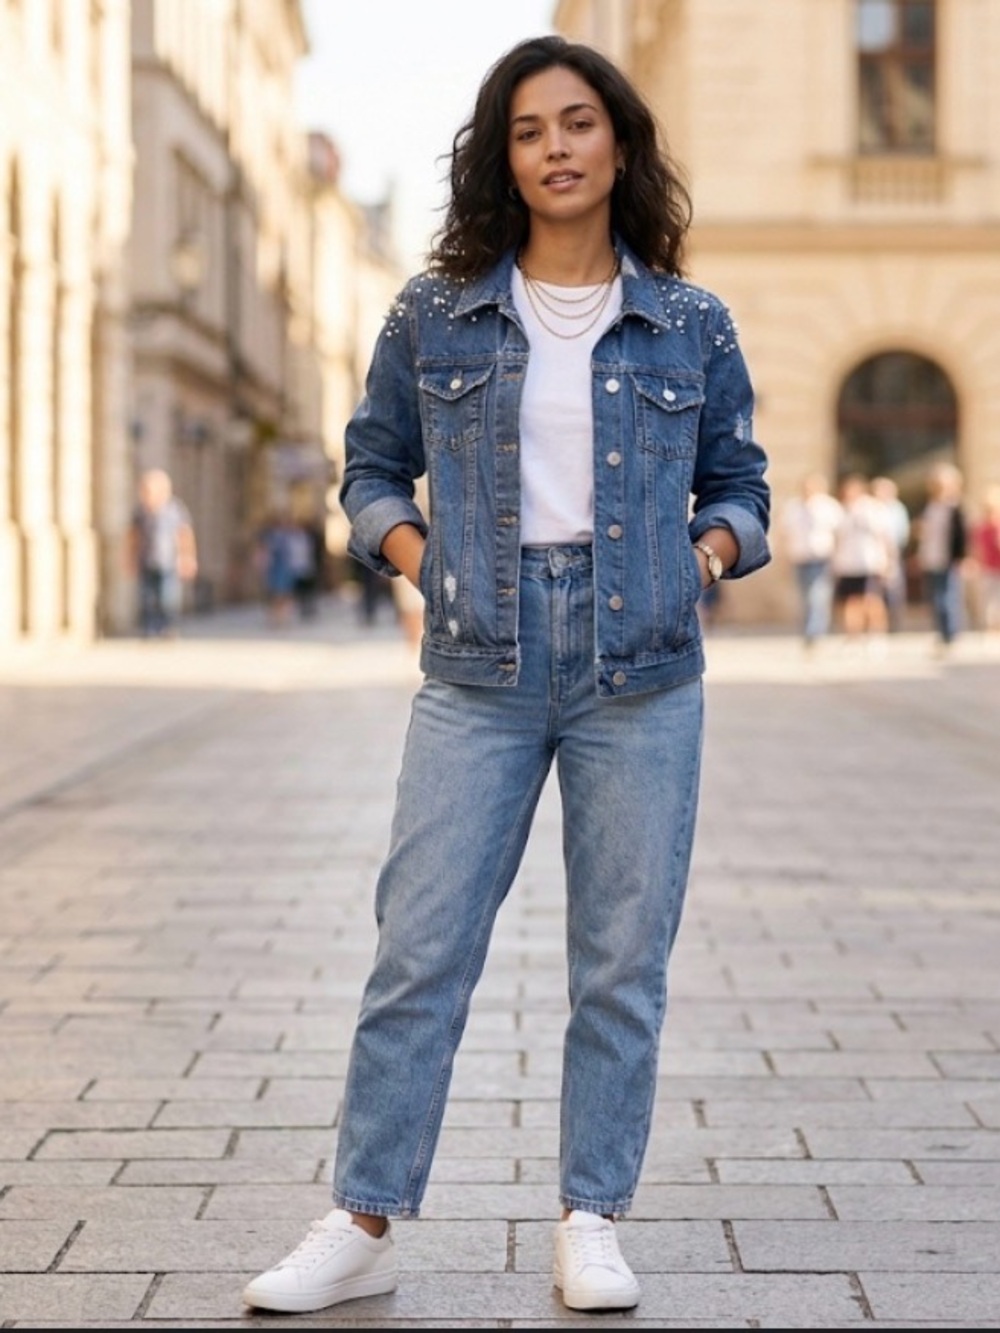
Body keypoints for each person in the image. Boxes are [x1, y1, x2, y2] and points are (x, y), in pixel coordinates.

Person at [243, 34, 770, 1318]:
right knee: (418, 947)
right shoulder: (436, 310)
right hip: (479, 658)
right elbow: (366, 469)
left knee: (618, 959)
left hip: (641, 659)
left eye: (579, 123)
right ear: (504, 154)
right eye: (529, 129)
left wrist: (701, 557)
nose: (556, 148)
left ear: (620, 142)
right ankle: (362, 1216)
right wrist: (422, 559)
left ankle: (590, 1215)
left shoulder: (689, 320)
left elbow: (743, 488)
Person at [126, 467, 197, 638]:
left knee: (168, 598)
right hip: (146, 560)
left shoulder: (174, 510)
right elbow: (132, 536)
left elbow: (184, 535)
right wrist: (129, 558)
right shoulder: (140, 512)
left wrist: (188, 557)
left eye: (149, 490)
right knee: (147, 598)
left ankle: (167, 627)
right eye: (144, 490)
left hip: (169, 561)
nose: (146, 494)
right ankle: (149, 628)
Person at [779, 471, 843, 648]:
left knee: (818, 596)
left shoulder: (829, 507)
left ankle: (814, 633)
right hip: (800, 557)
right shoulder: (793, 507)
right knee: (805, 597)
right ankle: (809, 630)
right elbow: (785, 534)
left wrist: (838, 558)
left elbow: (839, 534)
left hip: (822, 557)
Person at [830, 473, 894, 650]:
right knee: (851, 601)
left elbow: (884, 537)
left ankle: (877, 634)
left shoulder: (873, 509)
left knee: (872, 600)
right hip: (848, 563)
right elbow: (837, 538)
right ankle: (853, 636)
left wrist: (887, 561)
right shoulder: (842, 511)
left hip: (869, 562)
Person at [914, 460, 969, 652]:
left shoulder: (955, 507)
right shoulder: (930, 506)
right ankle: (940, 632)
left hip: (947, 558)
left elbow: (961, 535)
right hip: (931, 556)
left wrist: (961, 558)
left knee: (948, 596)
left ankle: (950, 634)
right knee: (935, 597)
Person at [871, 475, 911, 632]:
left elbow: (901, 534)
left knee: (894, 588)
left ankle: (894, 621)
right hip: (874, 554)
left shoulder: (897, 509)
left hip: (892, 552)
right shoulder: (871, 508)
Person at [970, 483, 1000, 633]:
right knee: (989, 598)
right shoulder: (981, 528)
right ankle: (991, 626)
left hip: (996, 566)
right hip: (989, 567)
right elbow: (977, 549)